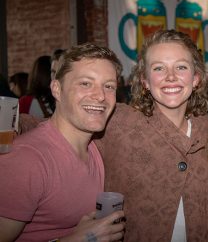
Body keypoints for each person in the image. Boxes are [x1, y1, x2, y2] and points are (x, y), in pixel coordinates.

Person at [93, 30, 208, 241]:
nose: (171, 76)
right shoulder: (119, 122)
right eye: (159, 68)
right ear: (145, 81)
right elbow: (62, 126)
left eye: (181, 67)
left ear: (196, 78)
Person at [0, 43, 125, 242]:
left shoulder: (94, 148)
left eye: (108, 86)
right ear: (57, 89)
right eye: (85, 83)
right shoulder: (27, 159)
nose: (101, 96)